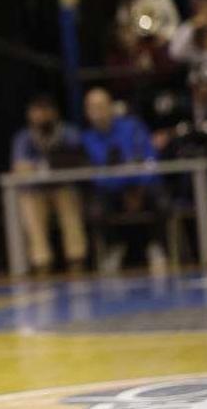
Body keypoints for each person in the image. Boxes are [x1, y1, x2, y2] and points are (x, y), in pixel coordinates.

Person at [81, 88, 166, 274]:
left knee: (162, 201)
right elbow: (95, 176)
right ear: (86, 112)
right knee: (95, 209)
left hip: (142, 186)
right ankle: (114, 247)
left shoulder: (133, 127)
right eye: (92, 107)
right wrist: (121, 186)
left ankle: (156, 246)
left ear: (111, 107)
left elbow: (150, 160)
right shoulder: (86, 139)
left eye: (101, 106)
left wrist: (139, 185)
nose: (97, 112)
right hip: (111, 191)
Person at [10, 96, 88, 275]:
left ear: (54, 113)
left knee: (68, 202)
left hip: (62, 186)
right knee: (30, 206)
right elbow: (20, 167)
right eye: (36, 111)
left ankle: (76, 259)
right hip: (35, 190)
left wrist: (41, 165)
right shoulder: (24, 138)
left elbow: (77, 158)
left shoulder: (68, 132)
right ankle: (42, 262)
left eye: (45, 111)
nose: (41, 116)